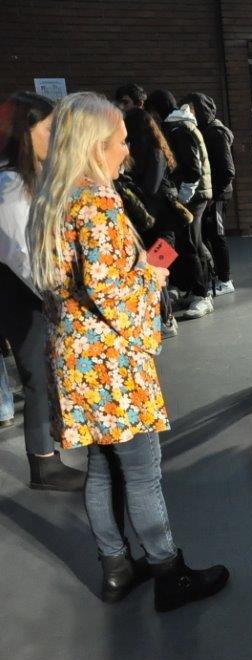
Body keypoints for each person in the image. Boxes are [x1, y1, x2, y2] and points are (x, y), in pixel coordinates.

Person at [27, 92, 229, 610]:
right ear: (95, 145)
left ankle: (115, 567)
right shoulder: (94, 201)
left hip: (75, 357)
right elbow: (112, 293)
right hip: (109, 362)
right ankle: (168, 572)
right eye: (119, 141)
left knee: (102, 464)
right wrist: (154, 272)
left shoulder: (52, 197)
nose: (127, 150)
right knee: (141, 470)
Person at [0, 91, 85, 490]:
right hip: (20, 294)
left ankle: (47, 455)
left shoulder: (26, 179)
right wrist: (65, 296)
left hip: (31, 291)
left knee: (42, 372)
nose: (56, 137)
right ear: (24, 131)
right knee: (36, 372)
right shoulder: (10, 185)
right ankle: (43, 462)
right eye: (49, 129)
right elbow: (25, 257)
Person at [145, 89, 214, 319]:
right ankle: (193, 289)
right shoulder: (179, 125)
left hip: (193, 196)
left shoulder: (179, 128)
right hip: (192, 194)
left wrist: (182, 197)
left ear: (157, 111)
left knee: (192, 244)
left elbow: (193, 170)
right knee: (187, 244)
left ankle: (203, 295)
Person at [123, 107, 188, 337]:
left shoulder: (149, 152)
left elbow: (150, 187)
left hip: (157, 221)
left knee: (155, 272)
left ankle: (166, 320)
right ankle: (164, 319)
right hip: (162, 222)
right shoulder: (156, 150)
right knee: (156, 272)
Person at [182, 93, 235, 295]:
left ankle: (225, 280)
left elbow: (228, 170)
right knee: (207, 235)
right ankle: (214, 276)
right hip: (210, 193)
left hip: (219, 194)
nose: (188, 113)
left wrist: (215, 195)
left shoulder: (216, 132)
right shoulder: (202, 131)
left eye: (191, 109)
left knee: (217, 235)